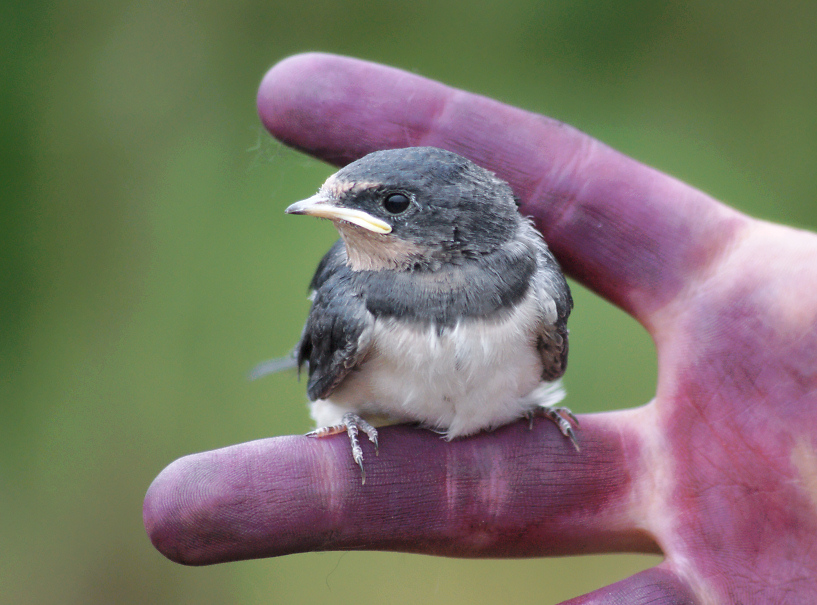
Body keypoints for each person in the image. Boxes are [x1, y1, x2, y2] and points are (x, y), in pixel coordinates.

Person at [143, 53, 817, 604]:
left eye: (390, 205)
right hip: (375, 407)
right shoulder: (352, 297)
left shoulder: (534, 283)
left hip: (505, 398)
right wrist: (340, 418)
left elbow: (544, 368)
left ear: (452, 221)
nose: (327, 214)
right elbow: (327, 376)